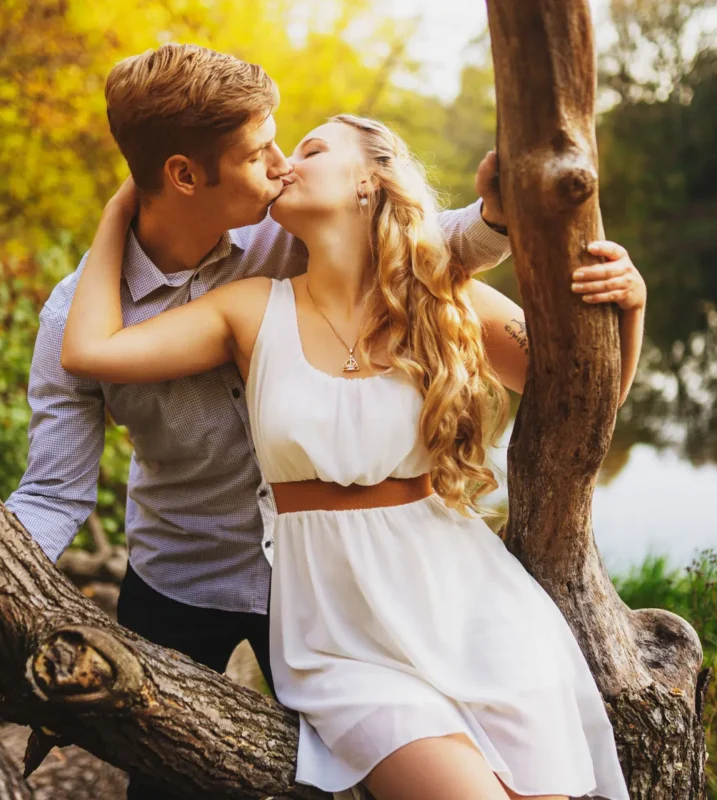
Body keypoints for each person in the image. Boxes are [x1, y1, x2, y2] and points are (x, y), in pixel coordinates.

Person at [0, 43, 556, 799]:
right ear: (183, 175)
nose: (282, 164)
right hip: (179, 577)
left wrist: (496, 217)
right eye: (258, 152)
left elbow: (410, 236)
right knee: (163, 787)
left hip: (323, 582)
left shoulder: (284, 233)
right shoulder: (74, 320)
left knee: (361, 771)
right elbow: (54, 494)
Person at [59, 111, 642, 800]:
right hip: (342, 644)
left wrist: (629, 307)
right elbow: (90, 351)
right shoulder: (247, 310)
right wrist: (115, 216)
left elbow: (585, 402)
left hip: (470, 608)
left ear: (369, 182)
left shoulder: (439, 299)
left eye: (308, 149)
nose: (283, 163)